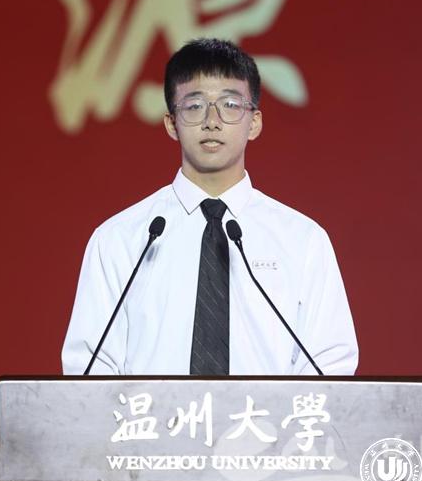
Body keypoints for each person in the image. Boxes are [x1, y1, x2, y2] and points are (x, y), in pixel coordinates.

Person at [61, 38, 357, 376]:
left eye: (230, 104)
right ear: (171, 123)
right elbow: (90, 368)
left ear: (254, 122)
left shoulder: (303, 240)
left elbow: (328, 365)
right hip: (151, 413)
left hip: (264, 413)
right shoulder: (119, 239)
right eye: (194, 106)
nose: (212, 121)